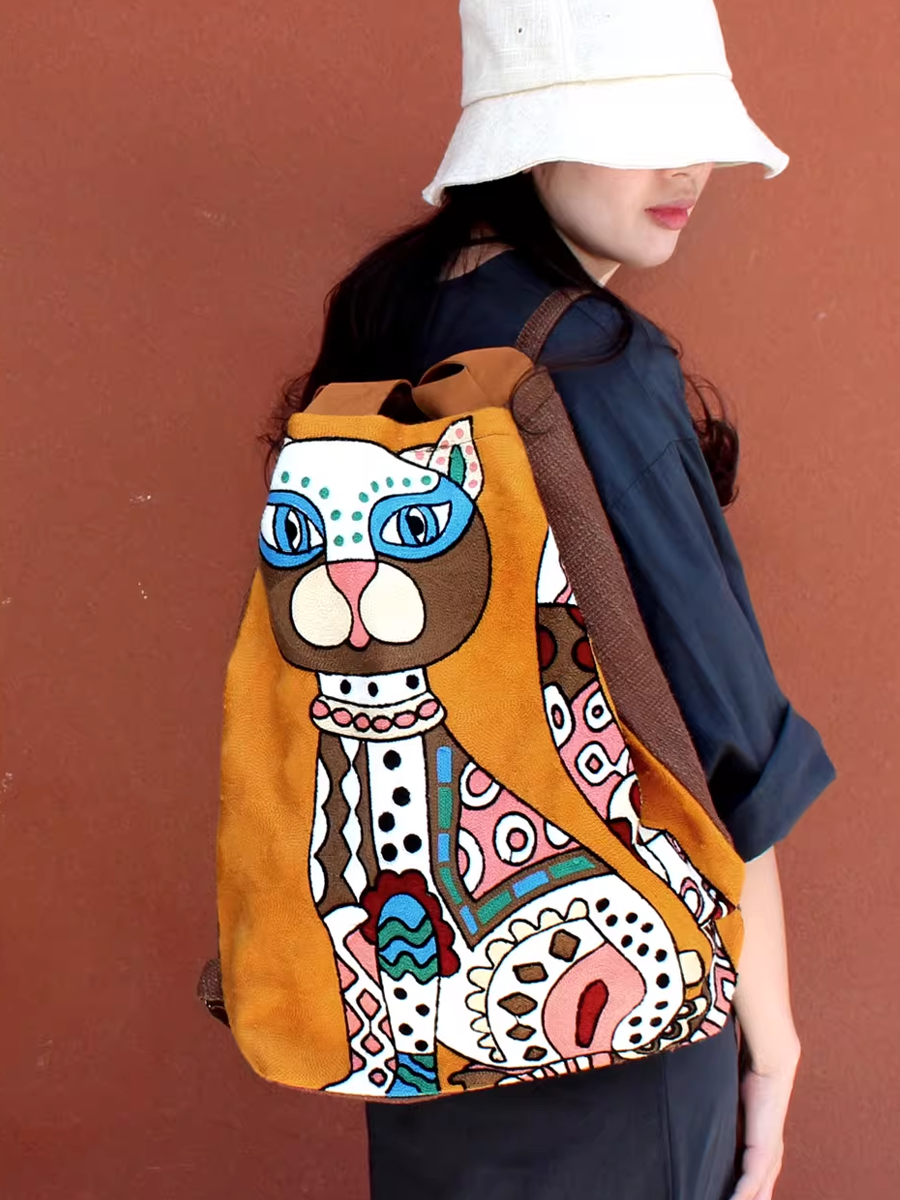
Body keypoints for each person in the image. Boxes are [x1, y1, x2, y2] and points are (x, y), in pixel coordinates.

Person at [271, 2, 835, 1197]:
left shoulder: (388, 319)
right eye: (640, 126)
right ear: (529, 140)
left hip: (418, 982)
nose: (689, 166)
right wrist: (773, 1042)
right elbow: (727, 746)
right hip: (620, 1001)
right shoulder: (594, 364)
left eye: (695, 127)